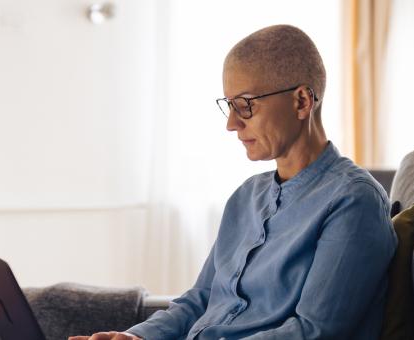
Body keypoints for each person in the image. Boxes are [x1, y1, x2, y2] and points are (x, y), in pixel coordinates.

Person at [71, 24, 396, 340]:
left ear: (301, 101)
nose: (231, 124)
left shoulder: (354, 200)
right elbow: (201, 298)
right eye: (229, 106)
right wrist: (136, 336)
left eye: (245, 105)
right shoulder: (246, 197)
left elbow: (314, 331)